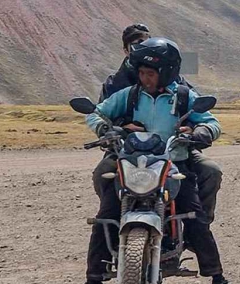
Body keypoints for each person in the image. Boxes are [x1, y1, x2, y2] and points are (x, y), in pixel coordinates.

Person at [77, 37, 234, 284]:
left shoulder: (183, 96)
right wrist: (106, 129)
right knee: (107, 214)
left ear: (166, 73)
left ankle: (217, 278)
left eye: (150, 73)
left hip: (173, 165)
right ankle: (92, 281)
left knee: (194, 216)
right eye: (141, 72)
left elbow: (211, 121)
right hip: (132, 164)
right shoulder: (130, 95)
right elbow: (97, 113)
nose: (144, 78)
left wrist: (202, 132)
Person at [95, 23, 224, 225]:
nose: (142, 48)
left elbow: (191, 107)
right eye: (136, 44)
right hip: (128, 148)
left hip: (172, 146)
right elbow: (103, 112)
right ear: (125, 49)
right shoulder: (116, 83)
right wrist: (119, 127)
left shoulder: (173, 80)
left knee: (210, 171)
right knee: (103, 173)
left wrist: (193, 130)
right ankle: (115, 215)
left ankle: (201, 223)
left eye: (146, 42)